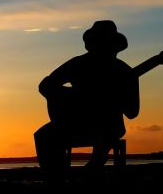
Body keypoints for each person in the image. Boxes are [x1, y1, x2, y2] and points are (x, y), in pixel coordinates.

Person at [34, 20, 140, 183]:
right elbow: (46, 85)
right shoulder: (78, 64)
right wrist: (70, 96)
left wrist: (115, 98)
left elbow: (132, 112)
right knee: (43, 135)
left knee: (104, 132)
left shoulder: (125, 71)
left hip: (108, 125)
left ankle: (88, 169)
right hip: (76, 124)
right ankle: (56, 180)